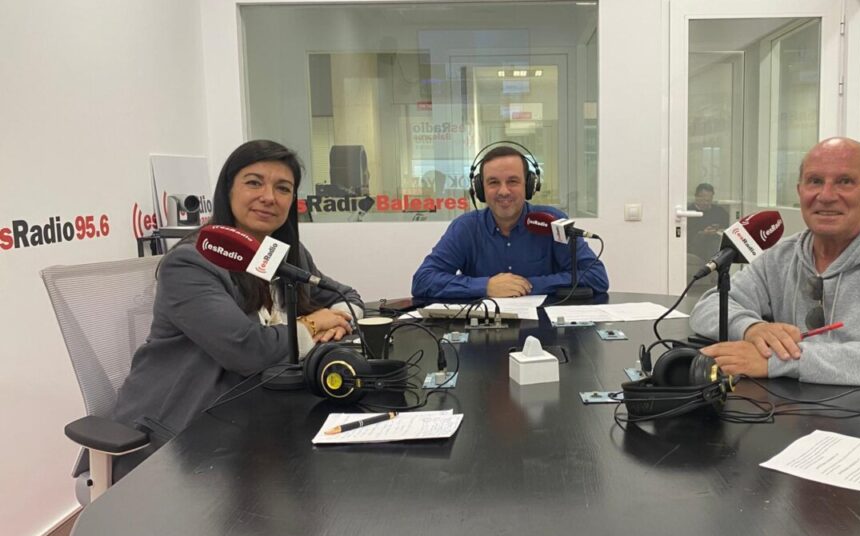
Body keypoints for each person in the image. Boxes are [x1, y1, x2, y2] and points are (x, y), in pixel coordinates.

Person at [111, 140, 364, 477]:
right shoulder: (190, 263)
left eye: (283, 188)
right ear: (227, 190)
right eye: (254, 182)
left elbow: (346, 297)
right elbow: (247, 350)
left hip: (256, 418)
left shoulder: (280, 253)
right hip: (180, 439)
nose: (269, 197)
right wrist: (314, 325)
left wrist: (336, 320)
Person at [690, 137, 860, 427]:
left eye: (845, 181)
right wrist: (752, 328)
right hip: (814, 417)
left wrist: (778, 360)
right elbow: (709, 307)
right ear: (800, 192)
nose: (826, 195)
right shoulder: (782, 256)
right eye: (814, 181)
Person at [411, 145, 609, 298]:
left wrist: (526, 285)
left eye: (512, 181)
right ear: (480, 189)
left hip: (545, 336)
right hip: (482, 336)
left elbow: (597, 277)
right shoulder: (466, 228)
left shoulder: (551, 222)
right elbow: (422, 281)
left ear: (529, 186)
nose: (503, 191)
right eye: (493, 182)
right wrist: (486, 286)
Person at [687, 183, 730, 262]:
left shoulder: (719, 211)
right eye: (704, 200)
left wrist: (719, 230)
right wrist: (703, 233)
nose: (706, 203)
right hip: (696, 248)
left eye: (709, 200)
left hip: (716, 246)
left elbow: (728, 227)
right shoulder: (689, 212)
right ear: (696, 197)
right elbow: (688, 236)